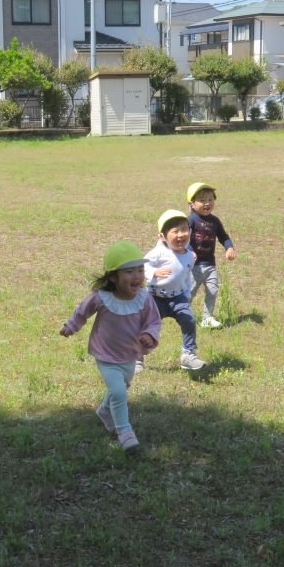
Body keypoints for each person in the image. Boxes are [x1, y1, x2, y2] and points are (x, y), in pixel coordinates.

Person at [61, 242, 162, 451]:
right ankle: (125, 433)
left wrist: (149, 335)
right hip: (105, 355)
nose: (137, 276)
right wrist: (71, 326)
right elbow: (83, 311)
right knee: (118, 391)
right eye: (129, 271)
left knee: (122, 387)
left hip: (130, 355)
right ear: (113, 277)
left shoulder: (145, 299)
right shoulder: (102, 298)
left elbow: (154, 321)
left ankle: (104, 410)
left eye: (140, 270)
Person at [143, 210, 205, 372]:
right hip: (155, 298)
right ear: (163, 237)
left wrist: (186, 294)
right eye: (175, 231)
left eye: (184, 230)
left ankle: (188, 354)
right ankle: (136, 357)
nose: (181, 234)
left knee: (189, 320)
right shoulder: (159, 252)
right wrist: (153, 273)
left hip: (177, 298)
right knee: (145, 327)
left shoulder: (189, 256)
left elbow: (185, 275)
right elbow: (143, 265)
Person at [187, 182, 236, 329]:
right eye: (202, 200)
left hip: (209, 264)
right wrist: (190, 250)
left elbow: (223, 236)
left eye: (210, 199)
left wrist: (229, 248)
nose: (207, 203)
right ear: (191, 204)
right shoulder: (191, 220)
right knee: (189, 292)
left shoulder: (214, 221)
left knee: (213, 290)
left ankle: (207, 318)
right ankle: (183, 314)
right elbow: (184, 238)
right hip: (193, 265)